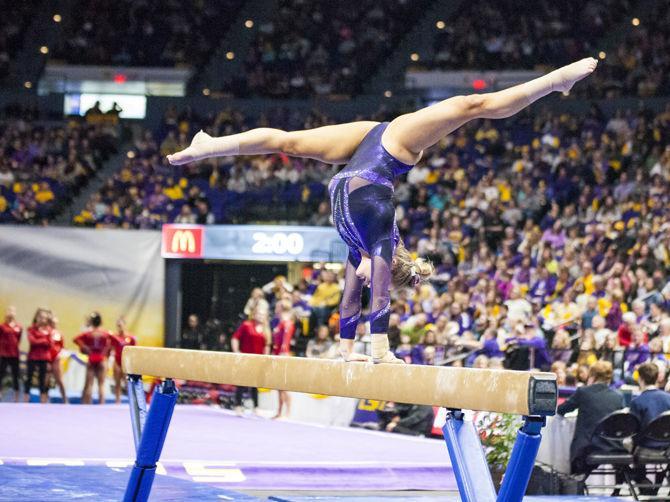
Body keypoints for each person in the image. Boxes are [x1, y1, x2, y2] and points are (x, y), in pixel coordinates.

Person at [168, 58, 598, 363]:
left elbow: (350, 299)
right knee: (472, 106)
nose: (367, 274)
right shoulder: (380, 243)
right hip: (381, 163)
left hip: (362, 168)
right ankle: (554, 81)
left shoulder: (362, 251)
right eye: (379, 269)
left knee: (289, 143)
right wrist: (380, 350)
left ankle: (213, 148)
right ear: (392, 261)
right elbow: (378, 294)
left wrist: (346, 350)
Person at [557, 360, 625, 474]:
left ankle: (574, 485)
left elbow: (561, 410)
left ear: (592, 375)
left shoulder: (584, 392)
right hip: (612, 446)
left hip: (587, 447)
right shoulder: (618, 396)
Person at [231, 308, 270, 414]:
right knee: (241, 383)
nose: (260, 316)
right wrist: (237, 352)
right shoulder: (246, 325)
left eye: (263, 315)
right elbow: (235, 338)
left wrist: (265, 358)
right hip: (245, 359)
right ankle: (238, 406)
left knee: (255, 384)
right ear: (254, 315)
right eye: (259, 314)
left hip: (258, 361)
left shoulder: (266, 329)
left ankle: (256, 407)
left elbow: (267, 345)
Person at [74, 312, 111, 405]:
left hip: (92, 357)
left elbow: (75, 339)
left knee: (89, 384)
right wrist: (106, 353)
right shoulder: (105, 333)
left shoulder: (88, 333)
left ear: (92, 322)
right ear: (101, 322)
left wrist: (84, 347)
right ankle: (102, 404)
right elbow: (112, 343)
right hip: (101, 358)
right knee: (101, 384)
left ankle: (87, 405)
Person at [272, 300, 296, 419]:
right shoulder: (281, 322)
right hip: (278, 355)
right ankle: (279, 412)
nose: (275, 309)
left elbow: (286, 340)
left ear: (281, 308)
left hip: (283, 355)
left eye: (276, 306)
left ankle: (288, 413)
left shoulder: (287, 322)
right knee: (279, 386)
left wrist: (282, 353)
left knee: (284, 387)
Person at [25, 308, 53, 403]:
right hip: (33, 357)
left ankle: (42, 401)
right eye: (40, 317)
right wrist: (43, 340)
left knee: (42, 380)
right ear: (36, 317)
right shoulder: (30, 329)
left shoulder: (49, 330)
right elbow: (32, 341)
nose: (42, 319)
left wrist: (39, 340)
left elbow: (50, 344)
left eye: (44, 318)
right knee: (29, 378)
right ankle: (25, 400)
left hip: (44, 358)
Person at [110, 317, 136, 404]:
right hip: (117, 361)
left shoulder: (130, 338)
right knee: (117, 383)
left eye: (121, 325)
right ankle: (117, 401)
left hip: (126, 362)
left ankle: (131, 402)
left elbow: (134, 351)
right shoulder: (114, 337)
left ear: (124, 325)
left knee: (127, 383)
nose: (120, 327)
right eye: (118, 325)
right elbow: (110, 348)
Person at [0, 306, 22, 402]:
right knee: (1, 374)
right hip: (4, 354)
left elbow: (18, 339)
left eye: (12, 311)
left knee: (16, 375)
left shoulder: (19, 327)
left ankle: (16, 397)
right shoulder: (2, 326)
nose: (11, 313)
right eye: (9, 310)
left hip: (14, 355)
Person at [47, 313, 68, 404]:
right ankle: (44, 399)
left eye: (55, 320)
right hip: (47, 359)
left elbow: (62, 347)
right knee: (46, 379)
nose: (54, 322)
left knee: (59, 380)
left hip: (56, 359)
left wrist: (59, 354)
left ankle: (65, 399)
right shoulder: (46, 332)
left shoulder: (59, 333)